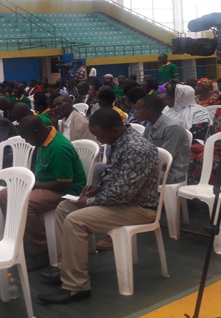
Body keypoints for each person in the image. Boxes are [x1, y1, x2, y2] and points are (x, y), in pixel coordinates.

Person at [37, 109, 159, 305]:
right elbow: (115, 177)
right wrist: (98, 187)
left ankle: (76, 287)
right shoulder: (115, 141)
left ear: (115, 130)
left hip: (139, 208)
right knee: (65, 208)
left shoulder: (136, 149)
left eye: (101, 136)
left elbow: (123, 193)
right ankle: (67, 269)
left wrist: (90, 201)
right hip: (122, 202)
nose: (99, 140)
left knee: (75, 220)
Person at [0, 115, 86, 271]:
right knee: (5, 195)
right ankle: (20, 240)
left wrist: (34, 185)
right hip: (46, 186)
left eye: (27, 138)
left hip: (67, 191)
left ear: (36, 132)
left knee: (24, 203)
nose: (27, 142)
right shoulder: (43, 136)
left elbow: (65, 183)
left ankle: (40, 251)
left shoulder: (58, 148)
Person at [135, 95, 191, 184]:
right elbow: (143, 149)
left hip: (170, 173)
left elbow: (164, 159)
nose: (135, 112)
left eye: (138, 109)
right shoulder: (150, 124)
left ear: (150, 111)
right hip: (153, 168)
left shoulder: (172, 127)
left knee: (131, 173)